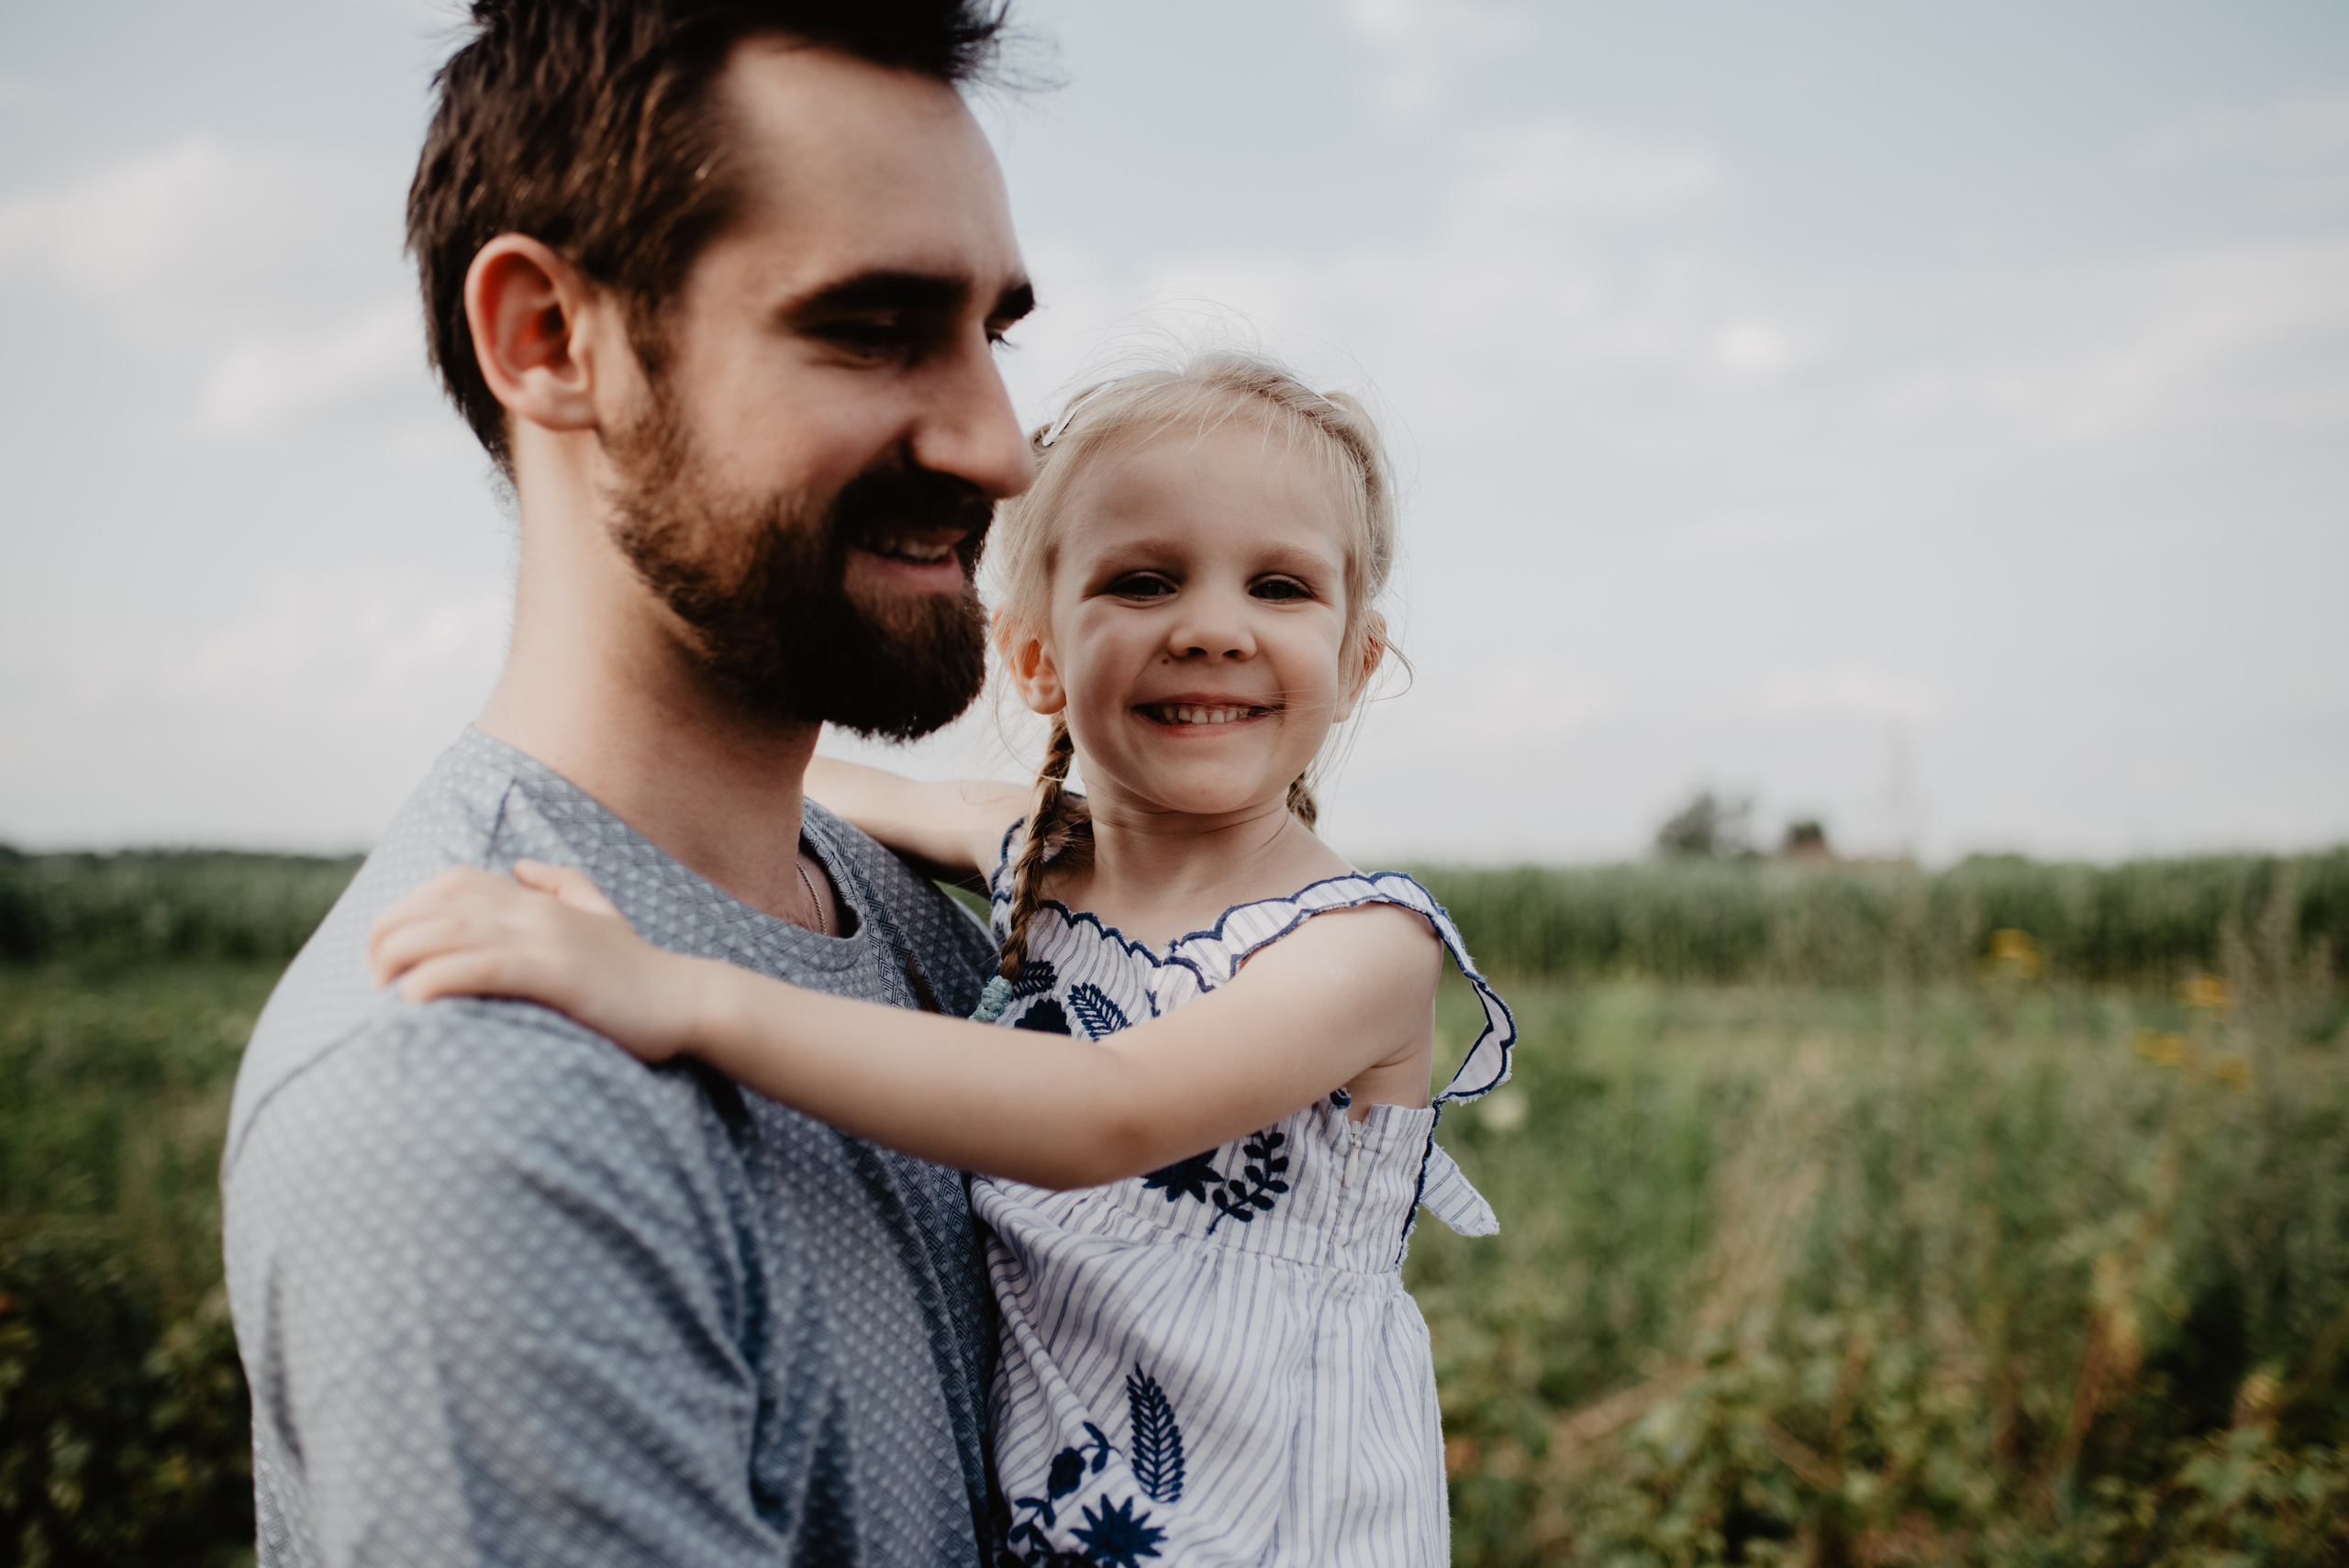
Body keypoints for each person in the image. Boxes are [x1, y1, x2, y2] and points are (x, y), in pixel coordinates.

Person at [368, 353, 1519, 1565]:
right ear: (1034, 660)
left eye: (1279, 586)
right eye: (1143, 579)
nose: (1214, 628)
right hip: (1063, 1524)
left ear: (1354, 662)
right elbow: (795, 773)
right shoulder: (1042, 858)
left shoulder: (1358, 948)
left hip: (1285, 1529)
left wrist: (680, 993)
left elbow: (1102, 1113)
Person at [219, 3, 1043, 1564]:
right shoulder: (475, 1111)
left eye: (992, 332)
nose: (1000, 444)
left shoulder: (918, 927)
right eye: (871, 329)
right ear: (550, 338)